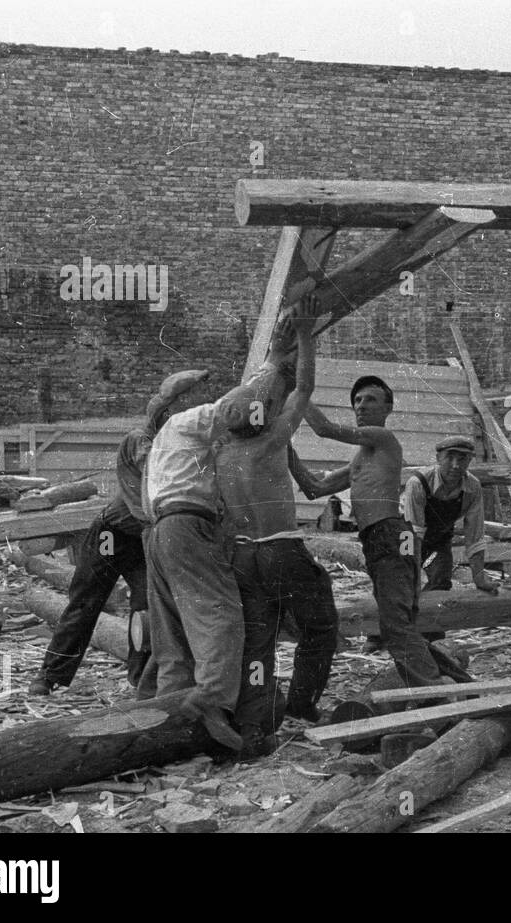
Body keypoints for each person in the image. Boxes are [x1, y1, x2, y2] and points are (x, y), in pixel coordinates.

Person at [143, 321, 299, 750]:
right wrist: (271, 366)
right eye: (200, 393)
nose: (208, 398)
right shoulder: (185, 422)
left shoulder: (162, 443)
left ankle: (169, 715)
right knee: (221, 614)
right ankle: (210, 701)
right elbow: (234, 410)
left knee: (173, 629)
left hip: (160, 533)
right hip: (187, 525)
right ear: (183, 399)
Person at [28, 369, 209, 696]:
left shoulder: (179, 445)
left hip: (145, 540)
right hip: (111, 536)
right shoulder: (140, 441)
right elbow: (151, 469)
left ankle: (140, 679)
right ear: (166, 414)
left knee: (150, 607)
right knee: (86, 603)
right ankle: (49, 676)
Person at [215, 295, 338, 752]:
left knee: (258, 643)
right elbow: (303, 388)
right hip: (281, 550)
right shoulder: (270, 442)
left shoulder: (221, 451)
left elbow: (254, 395)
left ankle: (256, 725)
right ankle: (303, 704)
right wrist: (304, 333)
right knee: (321, 627)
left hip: (242, 556)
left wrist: (270, 360)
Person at [293, 378, 458, 690]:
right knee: (400, 627)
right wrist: (282, 447)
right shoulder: (361, 458)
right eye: (356, 401)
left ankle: (438, 697)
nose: (360, 406)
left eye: (370, 400)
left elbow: (324, 429)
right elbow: (315, 488)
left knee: (395, 629)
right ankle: (458, 685)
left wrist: (295, 391)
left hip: (389, 535)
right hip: (378, 541)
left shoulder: (384, 438)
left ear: (388, 408)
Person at [401, 435, 500, 595]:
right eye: (449, 458)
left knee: (441, 582)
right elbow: (412, 534)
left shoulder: (472, 487)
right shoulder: (419, 483)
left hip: (437, 543)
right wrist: (413, 578)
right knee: (403, 585)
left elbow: (475, 535)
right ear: (438, 458)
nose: (455, 465)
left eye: (462, 459)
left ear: (469, 461)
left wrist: (479, 578)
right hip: (404, 539)